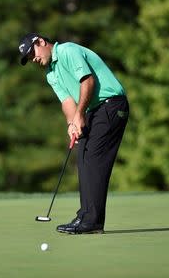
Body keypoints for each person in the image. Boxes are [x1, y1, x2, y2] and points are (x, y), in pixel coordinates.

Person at [18, 33, 129, 234]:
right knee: (84, 159)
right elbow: (67, 101)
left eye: (31, 52)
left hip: (112, 104)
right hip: (93, 110)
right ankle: (85, 216)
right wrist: (72, 124)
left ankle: (92, 221)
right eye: (28, 58)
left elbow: (87, 82)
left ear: (41, 42)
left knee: (94, 160)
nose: (33, 59)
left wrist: (79, 115)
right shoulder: (51, 74)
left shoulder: (68, 51)